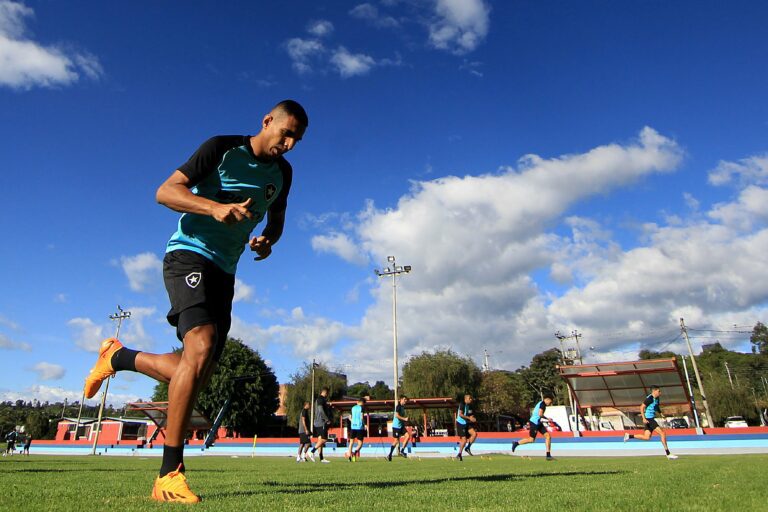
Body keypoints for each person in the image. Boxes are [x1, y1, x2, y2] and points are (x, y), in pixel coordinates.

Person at [81, 100, 308, 503]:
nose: (289, 144)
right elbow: (165, 192)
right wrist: (215, 208)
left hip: (225, 272)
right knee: (199, 346)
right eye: (285, 132)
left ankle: (116, 357)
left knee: (196, 371)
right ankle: (169, 473)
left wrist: (268, 240)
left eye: (296, 139)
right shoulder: (221, 147)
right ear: (266, 120)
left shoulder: (283, 174)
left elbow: (276, 219)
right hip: (189, 254)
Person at [623, 386, 678, 459]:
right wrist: (643, 418)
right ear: (654, 391)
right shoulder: (649, 398)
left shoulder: (657, 398)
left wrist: (660, 413)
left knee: (647, 437)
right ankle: (668, 454)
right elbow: (641, 407)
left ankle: (629, 436)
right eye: (659, 391)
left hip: (650, 419)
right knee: (662, 433)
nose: (660, 393)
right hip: (649, 419)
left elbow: (656, 406)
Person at [512, 395, 554, 460]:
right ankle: (516, 443)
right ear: (547, 399)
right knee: (531, 439)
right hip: (534, 423)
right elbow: (540, 414)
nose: (550, 404)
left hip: (538, 422)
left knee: (548, 436)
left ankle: (548, 455)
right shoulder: (542, 404)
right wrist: (547, 419)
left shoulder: (541, 403)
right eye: (550, 402)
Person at [309, 387, 332, 463]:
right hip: (321, 422)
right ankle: (312, 452)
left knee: (320, 440)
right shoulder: (320, 399)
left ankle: (321, 458)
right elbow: (321, 410)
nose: (327, 395)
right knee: (324, 439)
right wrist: (326, 419)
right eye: (327, 394)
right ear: (325, 393)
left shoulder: (320, 400)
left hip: (317, 422)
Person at [387, 396, 410, 461]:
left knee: (408, 436)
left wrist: (405, 422)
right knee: (396, 441)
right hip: (396, 426)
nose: (405, 401)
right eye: (404, 399)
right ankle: (390, 454)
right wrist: (404, 419)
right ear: (401, 400)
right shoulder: (398, 406)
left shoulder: (403, 407)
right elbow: (396, 415)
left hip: (401, 426)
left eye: (406, 400)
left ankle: (402, 451)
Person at [456, 394, 477, 461]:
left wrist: (472, 417)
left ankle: (467, 448)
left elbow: (469, 414)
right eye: (469, 398)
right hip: (460, 423)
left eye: (471, 398)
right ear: (466, 399)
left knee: (474, 434)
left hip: (466, 423)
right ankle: (459, 454)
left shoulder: (469, 405)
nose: (471, 399)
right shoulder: (462, 404)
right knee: (464, 440)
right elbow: (461, 414)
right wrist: (469, 418)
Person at [345, 397, 367, 461]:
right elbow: (362, 417)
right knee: (360, 443)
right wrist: (365, 424)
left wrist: (353, 421)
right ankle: (354, 452)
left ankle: (349, 454)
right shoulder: (362, 408)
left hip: (353, 427)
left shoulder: (353, 407)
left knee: (351, 442)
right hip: (359, 427)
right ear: (362, 403)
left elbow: (349, 417)